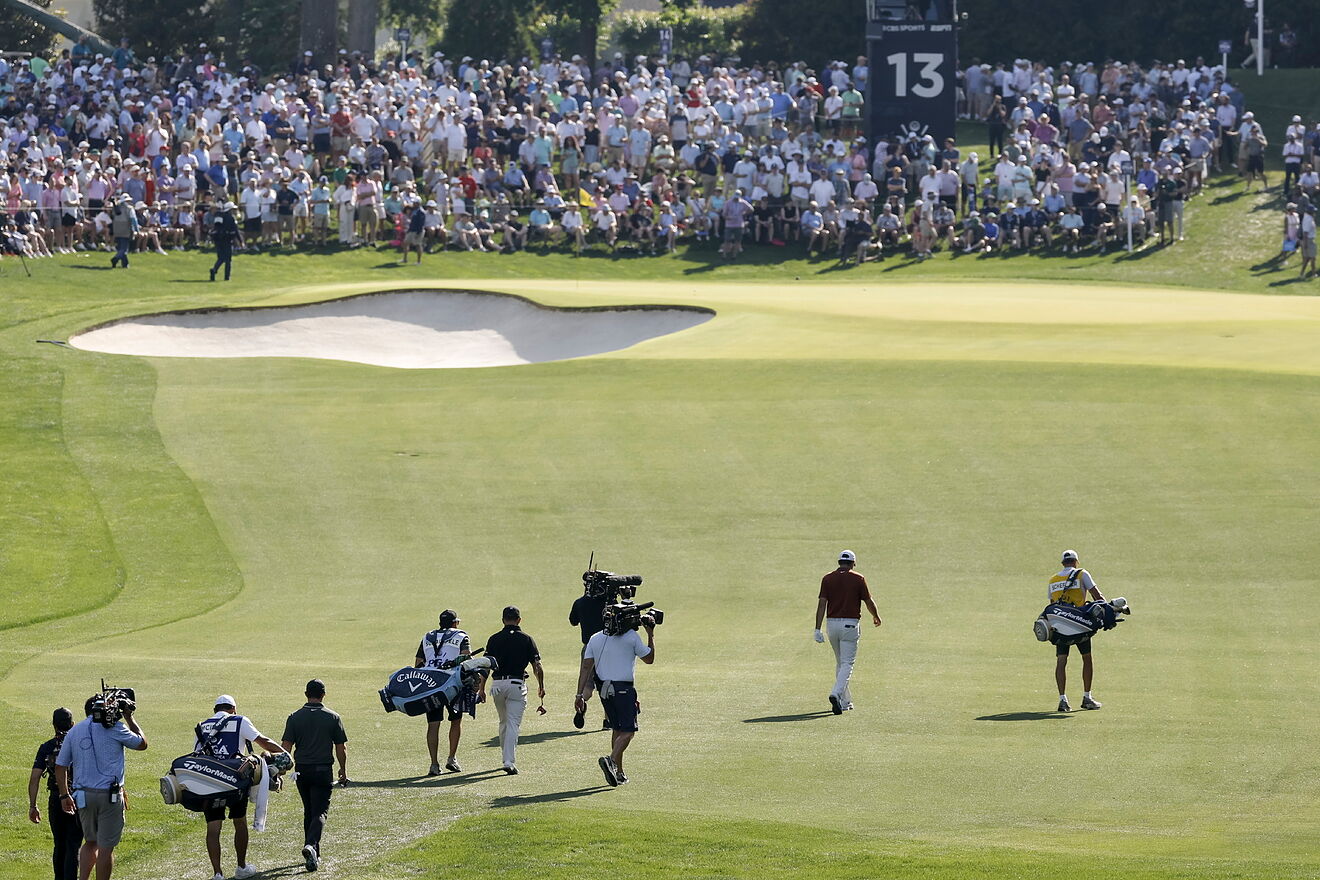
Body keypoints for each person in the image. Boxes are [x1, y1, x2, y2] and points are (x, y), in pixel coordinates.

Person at [54, 692, 148, 880]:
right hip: (109, 796)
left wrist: (64, 795)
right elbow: (142, 743)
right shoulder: (116, 728)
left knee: (90, 842)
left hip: (83, 796)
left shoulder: (75, 730)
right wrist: (129, 717)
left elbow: (60, 766)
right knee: (106, 847)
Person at [195, 696, 289, 880]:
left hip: (211, 782)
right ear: (233, 709)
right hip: (235, 781)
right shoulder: (239, 720)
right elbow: (263, 741)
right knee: (240, 823)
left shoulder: (202, 726)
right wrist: (285, 754)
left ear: (215, 710)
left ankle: (217, 874)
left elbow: (198, 754)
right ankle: (241, 867)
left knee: (213, 828)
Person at [576, 607, 656, 786]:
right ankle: (611, 760)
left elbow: (586, 668)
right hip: (623, 690)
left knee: (617, 730)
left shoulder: (595, 638)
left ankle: (619, 773)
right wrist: (650, 634)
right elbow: (649, 658)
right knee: (628, 731)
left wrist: (579, 694)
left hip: (605, 691)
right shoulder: (631, 637)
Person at [280, 679, 348, 874]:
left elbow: (285, 747)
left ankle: (313, 854)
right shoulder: (333, 717)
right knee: (320, 812)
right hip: (323, 770)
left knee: (309, 811)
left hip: (301, 771)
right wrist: (343, 770)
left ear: (306, 694)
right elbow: (341, 747)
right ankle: (311, 846)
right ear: (323, 695)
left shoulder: (294, 717)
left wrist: (281, 771)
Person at [813, 550, 882, 714]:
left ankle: (845, 701)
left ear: (839, 562)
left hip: (831, 625)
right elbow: (868, 601)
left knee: (840, 663)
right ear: (853, 563)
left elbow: (822, 604)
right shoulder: (858, 578)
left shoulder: (827, 578)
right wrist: (876, 616)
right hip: (850, 625)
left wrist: (817, 628)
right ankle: (836, 693)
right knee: (847, 664)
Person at [415, 609, 481, 774]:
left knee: (433, 724)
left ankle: (434, 764)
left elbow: (418, 663)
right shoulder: (461, 635)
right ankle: (452, 758)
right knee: (456, 720)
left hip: (431, 684)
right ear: (455, 623)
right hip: (453, 684)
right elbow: (466, 658)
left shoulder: (427, 637)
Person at [483, 606, 545, 775]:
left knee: (503, 722)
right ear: (519, 620)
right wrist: (541, 686)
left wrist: (481, 688)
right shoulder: (526, 639)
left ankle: (505, 756)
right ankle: (508, 761)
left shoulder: (494, 639)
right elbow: (537, 666)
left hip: (497, 685)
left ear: (503, 620)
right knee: (512, 724)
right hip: (516, 684)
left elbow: (486, 666)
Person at [1049, 550, 1107, 712]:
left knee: (1061, 660)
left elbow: (1052, 604)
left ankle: (1063, 700)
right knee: (1086, 658)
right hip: (1080, 624)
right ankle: (1087, 697)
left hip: (1060, 625)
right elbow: (1098, 597)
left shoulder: (1053, 580)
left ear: (1063, 563)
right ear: (1076, 562)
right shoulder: (1082, 574)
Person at [29, 708, 82, 880]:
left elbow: (35, 778)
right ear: (72, 724)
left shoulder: (47, 747)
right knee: (73, 843)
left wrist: (33, 805)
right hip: (77, 797)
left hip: (56, 798)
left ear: (54, 725)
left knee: (59, 843)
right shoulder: (80, 745)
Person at [569, 583, 609, 729]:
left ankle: (582, 702)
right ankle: (607, 720)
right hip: (607, 647)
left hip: (588, 647)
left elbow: (573, 621)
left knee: (587, 684)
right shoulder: (607, 603)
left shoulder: (580, 603)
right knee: (607, 683)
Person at [209, 202, 242, 281]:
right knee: (228, 260)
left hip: (218, 240)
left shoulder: (219, 216)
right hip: (227, 240)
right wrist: (241, 241)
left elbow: (216, 227)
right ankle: (227, 277)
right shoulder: (231, 218)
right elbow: (236, 231)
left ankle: (214, 269)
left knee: (221, 258)